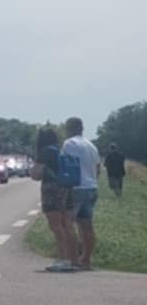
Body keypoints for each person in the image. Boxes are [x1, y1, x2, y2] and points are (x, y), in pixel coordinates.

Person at [35, 126, 76, 273]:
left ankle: (62, 259)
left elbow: (36, 174)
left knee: (56, 225)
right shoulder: (60, 150)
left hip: (51, 189)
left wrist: (33, 171)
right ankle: (71, 259)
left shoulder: (45, 152)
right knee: (66, 225)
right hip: (66, 188)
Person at [62, 117, 101, 271]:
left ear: (69, 128)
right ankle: (86, 260)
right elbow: (98, 169)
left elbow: (67, 164)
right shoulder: (91, 146)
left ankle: (72, 259)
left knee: (67, 223)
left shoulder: (69, 144)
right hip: (91, 187)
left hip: (76, 187)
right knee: (87, 226)